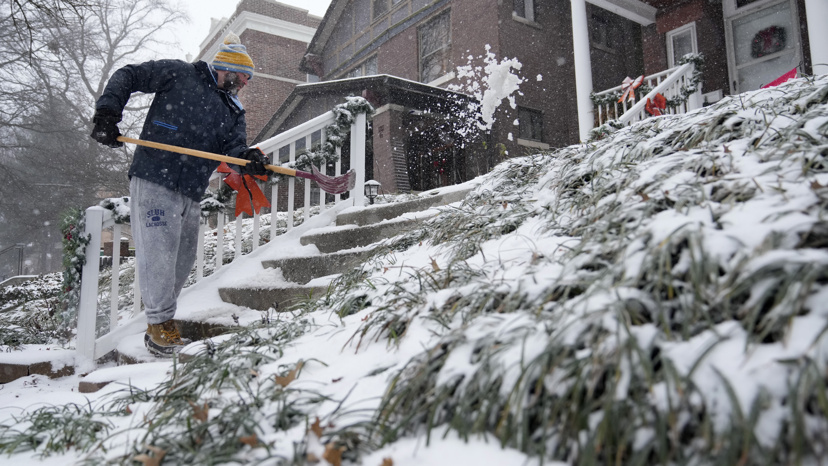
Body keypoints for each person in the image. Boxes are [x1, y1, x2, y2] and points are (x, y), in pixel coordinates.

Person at [90, 33, 270, 357]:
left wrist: (248, 159)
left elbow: (234, 149)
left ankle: (159, 322)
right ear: (228, 69)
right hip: (154, 177)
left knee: (182, 260)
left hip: (191, 190)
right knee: (158, 254)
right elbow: (128, 75)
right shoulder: (180, 73)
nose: (245, 84)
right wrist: (108, 112)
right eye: (244, 77)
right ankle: (160, 325)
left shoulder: (233, 110)